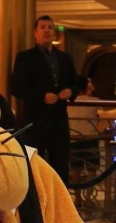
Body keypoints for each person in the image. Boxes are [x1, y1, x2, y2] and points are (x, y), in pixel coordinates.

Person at [11, 15, 79, 184]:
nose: (47, 30)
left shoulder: (65, 58)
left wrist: (70, 91)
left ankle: (61, 206)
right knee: (33, 165)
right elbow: (16, 88)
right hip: (35, 122)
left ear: (54, 32)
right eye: (43, 27)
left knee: (61, 166)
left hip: (59, 122)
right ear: (35, 33)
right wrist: (42, 96)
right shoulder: (25, 57)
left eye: (50, 27)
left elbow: (76, 82)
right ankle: (35, 206)